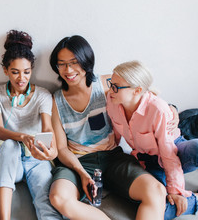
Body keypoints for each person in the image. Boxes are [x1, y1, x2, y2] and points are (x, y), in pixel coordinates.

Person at [48, 35, 170, 220]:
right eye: (62, 64)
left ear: (86, 61)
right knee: (58, 197)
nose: (69, 70)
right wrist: (81, 173)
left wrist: (172, 110)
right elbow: (61, 148)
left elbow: (145, 95)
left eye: (74, 62)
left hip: (112, 157)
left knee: (156, 190)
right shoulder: (55, 101)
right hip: (78, 162)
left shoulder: (106, 84)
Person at [106, 60, 198, 219]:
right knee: (156, 208)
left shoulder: (157, 109)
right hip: (149, 160)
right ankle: (195, 200)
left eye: (115, 86)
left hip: (173, 149)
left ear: (137, 90)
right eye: (110, 84)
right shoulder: (112, 99)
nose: (110, 90)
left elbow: (168, 154)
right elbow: (115, 135)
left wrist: (175, 190)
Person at [0, 30, 62, 220]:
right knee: (10, 145)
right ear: (5, 70)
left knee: (43, 199)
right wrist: (22, 137)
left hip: (35, 157)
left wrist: (49, 150)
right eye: (15, 72)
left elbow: (47, 129)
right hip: (8, 159)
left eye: (27, 72)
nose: (21, 78)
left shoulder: (43, 95)